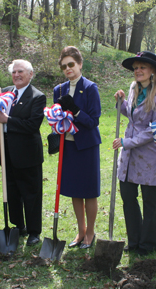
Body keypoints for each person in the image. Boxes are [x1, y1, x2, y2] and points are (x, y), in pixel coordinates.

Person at [113, 51, 156, 256]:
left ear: (152, 70)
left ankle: (149, 244)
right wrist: (121, 103)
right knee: (128, 196)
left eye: (142, 67)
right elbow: (133, 115)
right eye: (135, 68)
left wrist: (128, 142)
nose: (138, 71)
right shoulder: (133, 88)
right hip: (129, 155)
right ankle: (134, 240)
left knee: (149, 201)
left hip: (150, 155)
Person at [0, 59, 46, 246]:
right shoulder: (6, 93)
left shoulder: (37, 96)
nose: (16, 75)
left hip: (27, 154)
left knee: (31, 193)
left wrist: (8, 120)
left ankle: (34, 231)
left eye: (21, 71)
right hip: (6, 151)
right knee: (12, 192)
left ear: (30, 74)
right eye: (14, 72)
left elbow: (32, 125)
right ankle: (18, 226)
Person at [55, 46, 101, 249]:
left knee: (89, 191)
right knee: (75, 190)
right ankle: (80, 231)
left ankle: (90, 232)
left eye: (71, 64)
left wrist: (75, 110)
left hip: (87, 146)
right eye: (64, 66)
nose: (68, 69)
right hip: (69, 147)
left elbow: (93, 121)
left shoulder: (91, 88)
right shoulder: (59, 90)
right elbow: (57, 118)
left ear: (80, 64)